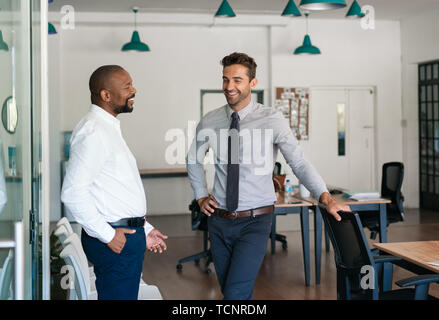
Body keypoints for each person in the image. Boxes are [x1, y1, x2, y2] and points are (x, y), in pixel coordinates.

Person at [186, 52, 350, 300]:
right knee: (231, 289)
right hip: (218, 220)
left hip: (255, 220)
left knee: (235, 293)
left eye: (237, 80)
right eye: (225, 80)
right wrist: (200, 196)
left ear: (253, 83)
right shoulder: (210, 120)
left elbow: (299, 162)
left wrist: (325, 197)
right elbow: (193, 159)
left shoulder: (272, 119)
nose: (229, 87)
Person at [61, 65, 168, 300]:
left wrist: (144, 229)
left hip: (126, 234)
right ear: (106, 95)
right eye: (127, 86)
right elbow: (72, 193)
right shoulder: (94, 132)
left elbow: (113, 191)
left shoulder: (106, 128)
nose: (134, 90)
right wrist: (108, 235)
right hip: (115, 239)